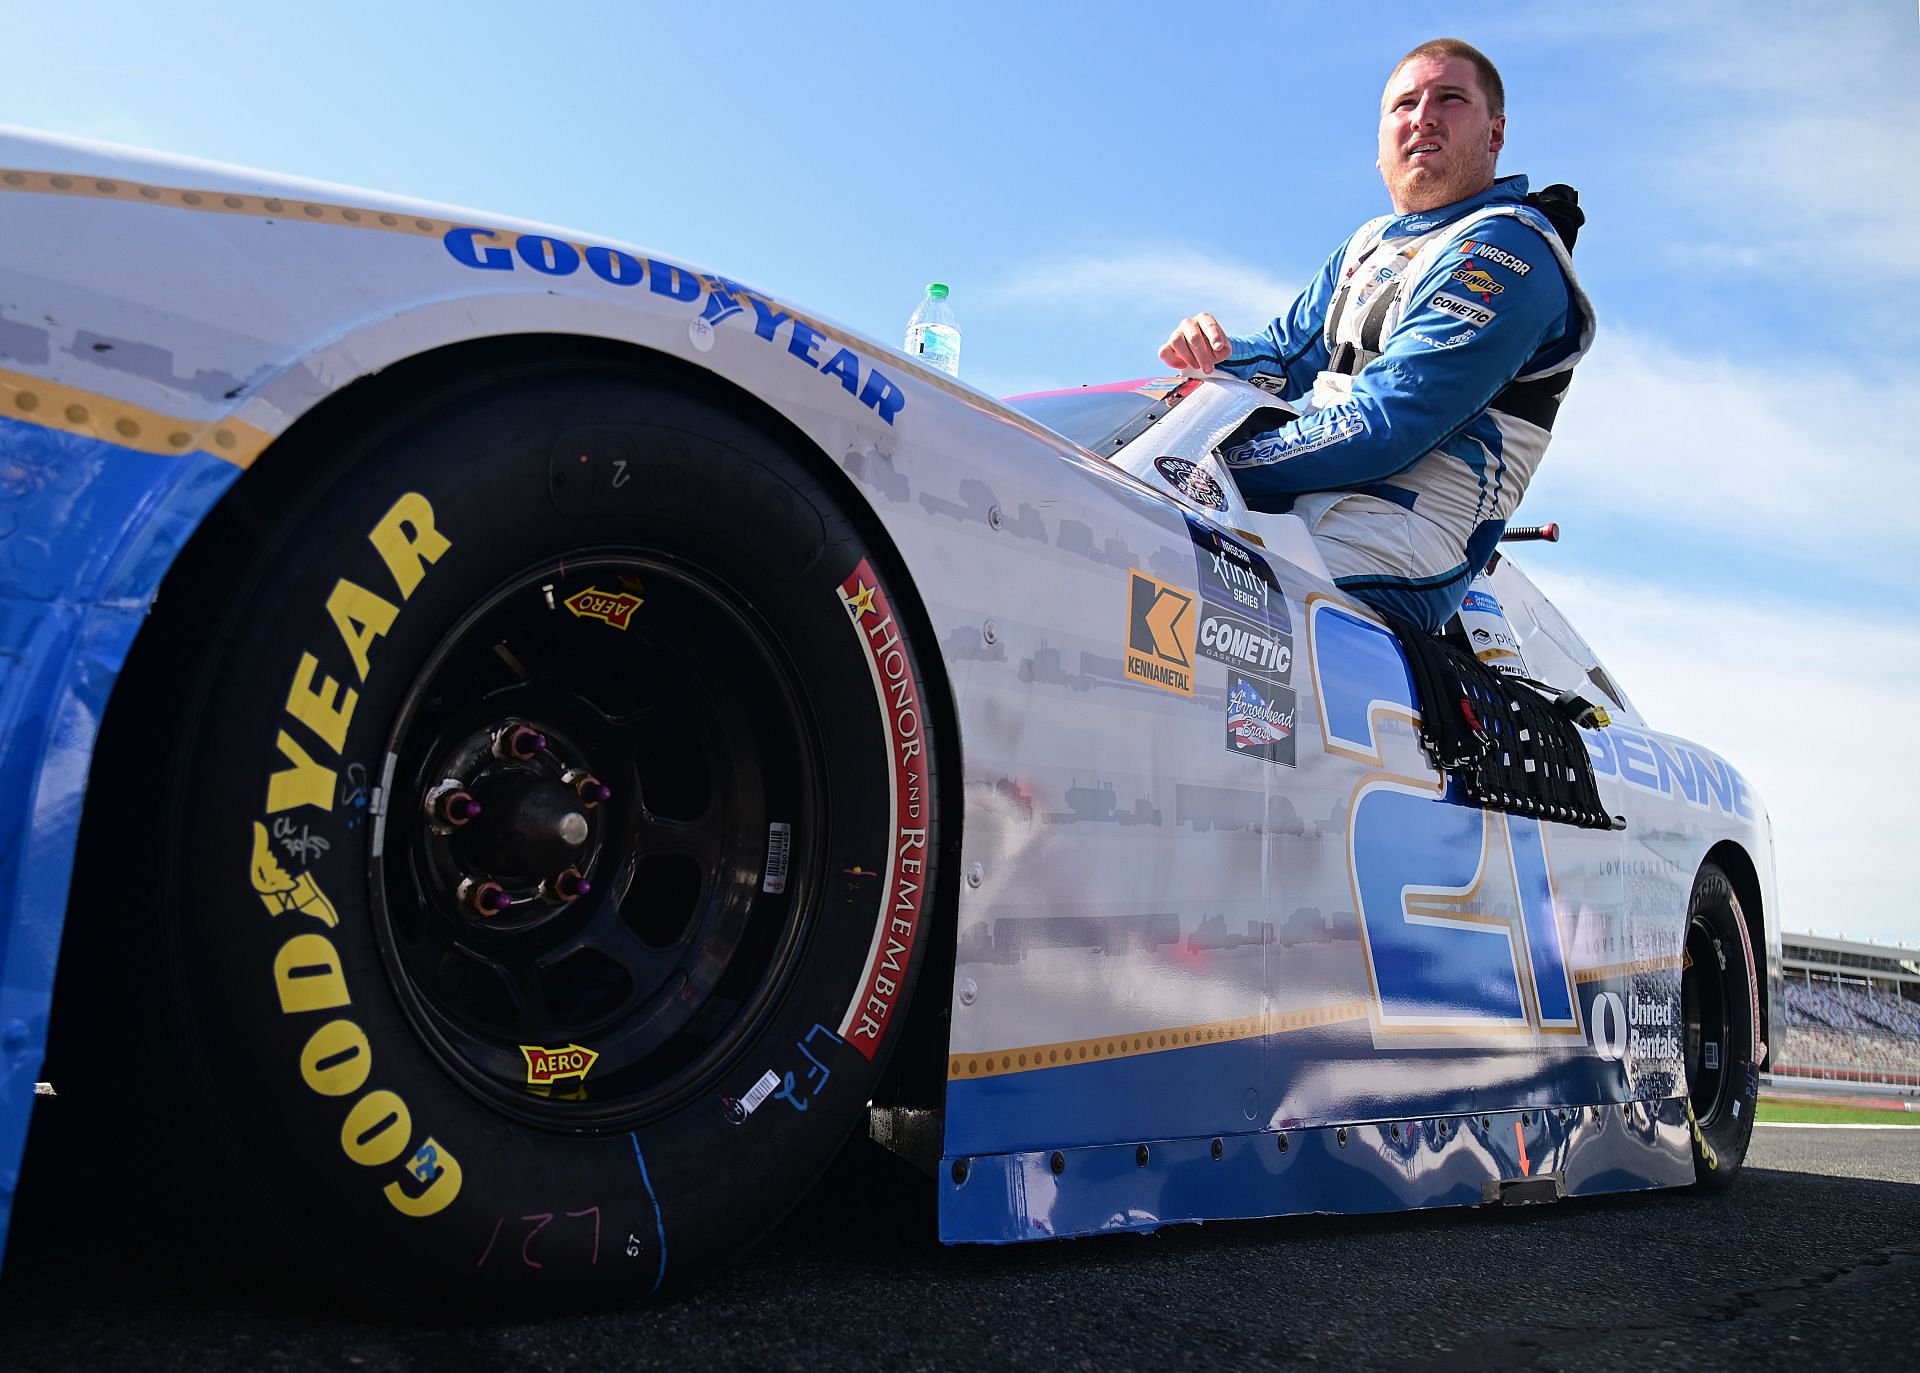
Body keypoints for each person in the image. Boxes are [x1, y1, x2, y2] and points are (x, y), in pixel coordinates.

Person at [1160, 38, 1595, 631]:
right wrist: (1215, 354)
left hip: (1398, 544)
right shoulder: (1371, 244)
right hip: (1305, 512)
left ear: (1495, 135)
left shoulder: (1504, 248)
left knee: (1157, 571)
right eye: (1404, 104)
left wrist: (1204, 462)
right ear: (1380, 146)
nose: (1423, 116)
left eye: (1449, 99)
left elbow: (1384, 426)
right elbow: (1286, 361)